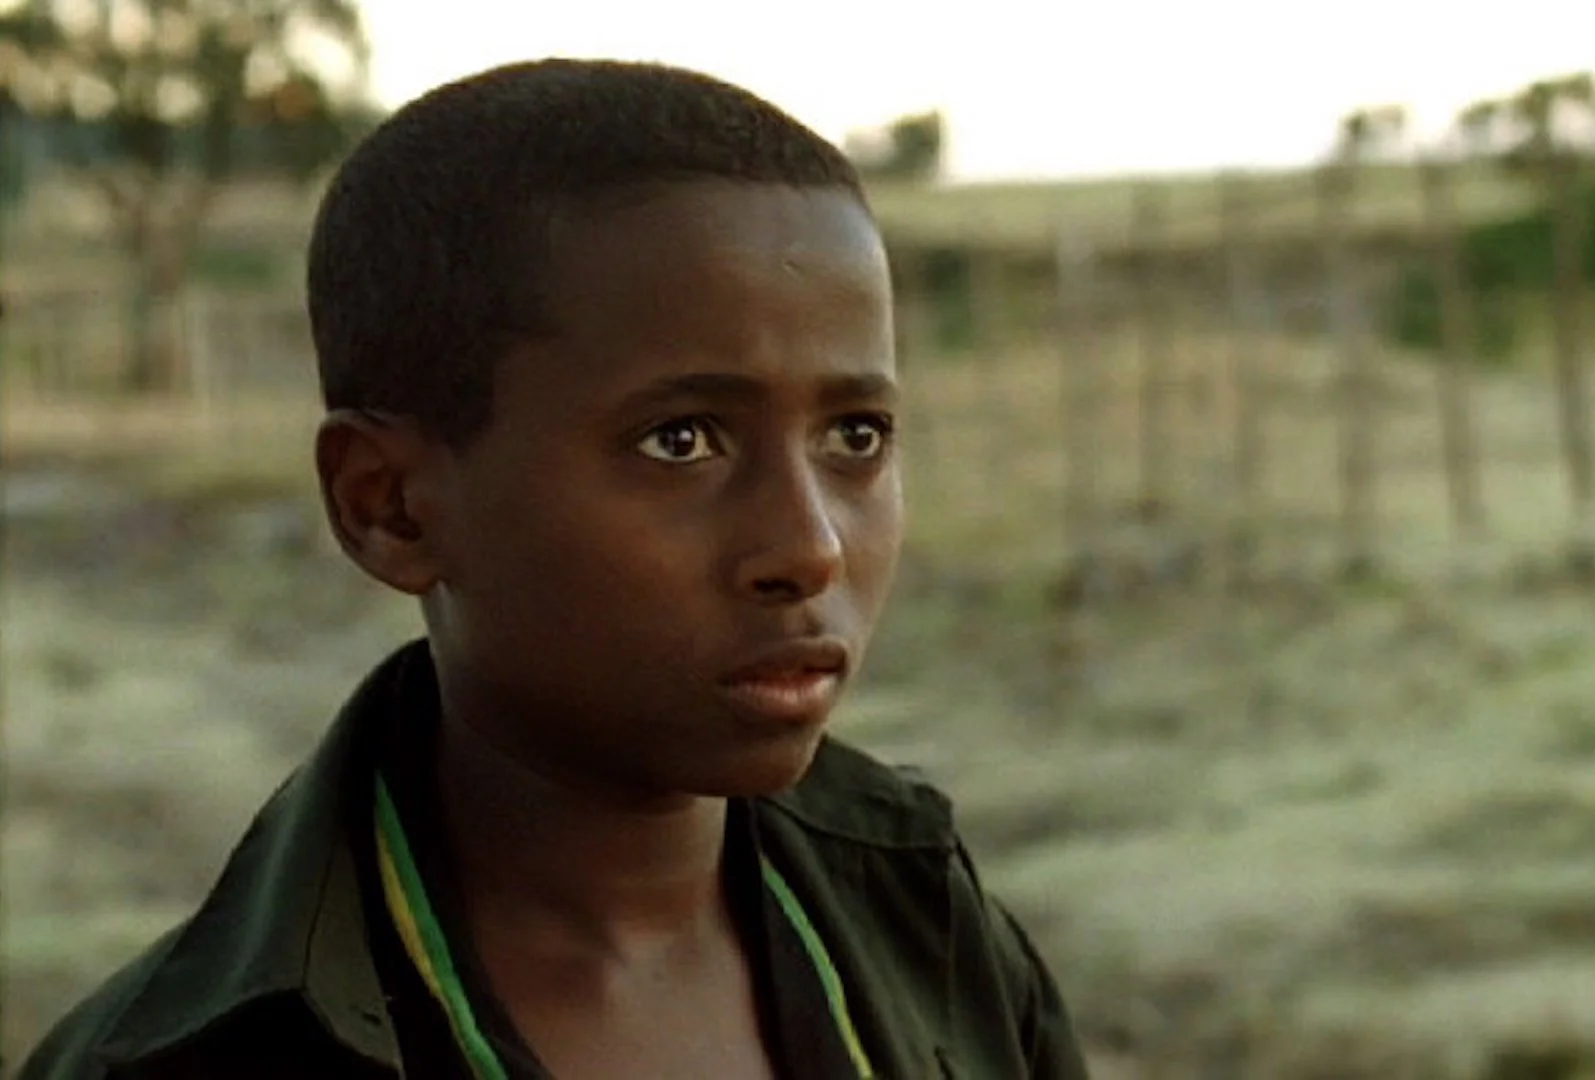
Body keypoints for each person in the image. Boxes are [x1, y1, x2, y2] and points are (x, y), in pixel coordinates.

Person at [17, 59, 1089, 1080]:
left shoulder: (921, 921)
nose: (809, 548)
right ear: (386, 505)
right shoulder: (190, 1061)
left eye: (855, 437)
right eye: (682, 441)